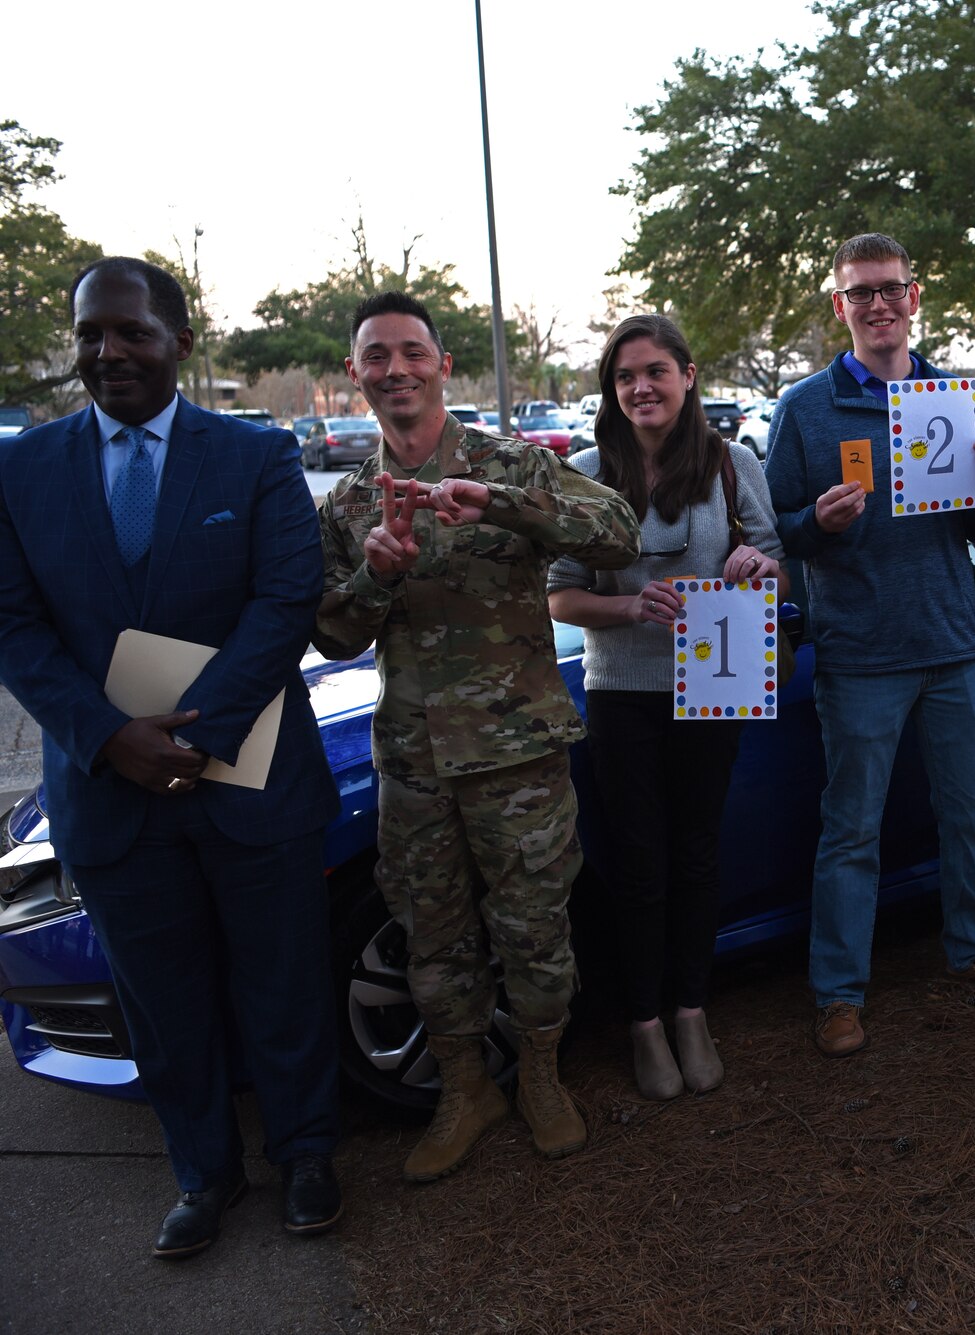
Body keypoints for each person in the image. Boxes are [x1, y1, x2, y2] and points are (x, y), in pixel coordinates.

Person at [0, 257, 342, 1258]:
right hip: (111, 789)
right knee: (163, 998)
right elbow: (15, 627)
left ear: (180, 344)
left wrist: (198, 735)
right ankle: (204, 1173)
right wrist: (112, 739)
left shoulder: (257, 455)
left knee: (283, 982)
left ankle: (308, 1154)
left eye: (131, 333)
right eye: (91, 334)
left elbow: (286, 604)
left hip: (250, 774)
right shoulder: (21, 468)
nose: (108, 351)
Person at [313, 292, 639, 1180]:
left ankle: (538, 1075)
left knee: (535, 926)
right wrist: (377, 576)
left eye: (411, 352)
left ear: (441, 364)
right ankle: (467, 1088)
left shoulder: (509, 463)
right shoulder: (346, 504)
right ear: (356, 374)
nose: (395, 370)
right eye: (376, 356)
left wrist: (501, 504)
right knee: (432, 933)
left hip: (517, 758)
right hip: (414, 763)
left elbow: (616, 531)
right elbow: (331, 634)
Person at [762, 232, 975, 1058]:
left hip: (954, 643)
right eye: (861, 293)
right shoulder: (805, 408)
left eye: (891, 288)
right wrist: (815, 522)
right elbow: (775, 533)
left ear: (914, 296)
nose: (878, 305)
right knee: (851, 830)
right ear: (839, 306)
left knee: (970, 815)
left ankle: (972, 947)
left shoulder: (958, 398)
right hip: (858, 655)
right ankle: (839, 992)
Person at [547, 314, 786, 1099]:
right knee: (640, 862)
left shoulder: (730, 463)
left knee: (698, 855)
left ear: (688, 375)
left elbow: (781, 570)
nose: (640, 387)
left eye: (655, 371)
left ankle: (692, 1011)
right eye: (625, 377)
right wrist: (629, 609)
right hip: (622, 693)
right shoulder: (585, 470)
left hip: (716, 685)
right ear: (611, 391)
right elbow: (559, 596)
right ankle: (644, 1024)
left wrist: (756, 562)